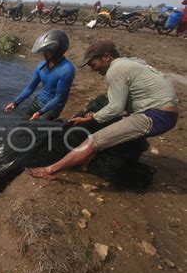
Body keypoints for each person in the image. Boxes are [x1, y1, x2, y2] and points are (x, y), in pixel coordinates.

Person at [27, 40, 178, 178]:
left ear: (106, 57)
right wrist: (98, 116)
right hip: (161, 111)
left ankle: (50, 170)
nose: (93, 69)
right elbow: (126, 103)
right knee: (109, 130)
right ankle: (85, 163)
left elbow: (116, 107)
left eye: (93, 65)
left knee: (93, 140)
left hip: (157, 115)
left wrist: (91, 118)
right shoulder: (129, 63)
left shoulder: (115, 70)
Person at [5, 29, 75, 120]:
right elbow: (30, 88)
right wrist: (15, 102)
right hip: (39, 101)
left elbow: (59, 97)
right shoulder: (41, 66)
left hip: (53, 107)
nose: (43, 53)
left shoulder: (67, 70)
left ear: (57, 50)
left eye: (47, 50)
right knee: (22, 123)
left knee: (35, 128)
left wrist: (40, 112)